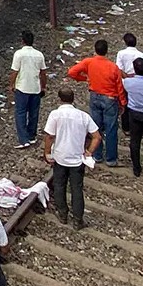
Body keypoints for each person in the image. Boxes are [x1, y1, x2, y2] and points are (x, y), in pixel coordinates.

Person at [43, 87, 102, 229]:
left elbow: (50, 136)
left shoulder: (55, 114)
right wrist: (89, 151)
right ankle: (78, 220)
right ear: (73, 99)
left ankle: (62, 214)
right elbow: (97, 137)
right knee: (77, 189)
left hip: (60, 157)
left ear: (59, 99)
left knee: (59, 185)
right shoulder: (83, 116)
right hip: (77, 159)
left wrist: (46, 153)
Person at [67, 39, 125, 167]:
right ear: (107, 51)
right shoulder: (113, 67)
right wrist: (122, 103)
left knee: (95, 127)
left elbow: (71, 72)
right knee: (111, 129)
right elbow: (119, 87)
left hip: (94, 96)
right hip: (109, 98)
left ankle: (97, 155)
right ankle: (111, 159)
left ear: (95, 50)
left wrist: (84, 78)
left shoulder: (89, 62)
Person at [10, 31, 47, 149]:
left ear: (22, 41)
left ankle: (23, 139)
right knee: (33, 113)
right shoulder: (39, 54)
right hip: (35, 88)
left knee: (20, 113)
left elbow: (14, 71)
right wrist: (43, 86)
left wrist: (11, 84)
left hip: (22, 87)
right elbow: (43, 73)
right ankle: (32, 136)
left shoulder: (19, 54)